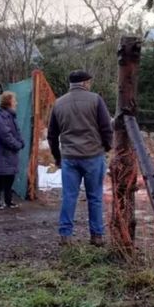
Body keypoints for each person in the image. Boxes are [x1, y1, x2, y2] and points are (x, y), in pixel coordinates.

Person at [47, 70, 113, 247]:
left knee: (69, 196)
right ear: (84, 83)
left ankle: (65, 235)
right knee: (95, 197)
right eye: (89, 82)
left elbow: (52, 135)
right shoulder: (96, 100)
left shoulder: (59, 103)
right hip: (93, 155)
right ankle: (97, 236)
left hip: (69, 157)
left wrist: (57, 157)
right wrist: (106, 147)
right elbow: (106, 128)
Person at [0, 91, 25, 209]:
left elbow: (16, 132)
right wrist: (17, 144)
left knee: (9, 177)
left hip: (10, 152)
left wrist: (20, 142)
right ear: (9, 102)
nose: (16, 102)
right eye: (14, 100)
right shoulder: (2, 117)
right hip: (4, 152)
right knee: (0, 177)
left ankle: (8, 200)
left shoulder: (10, 116)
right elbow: (6, 136)